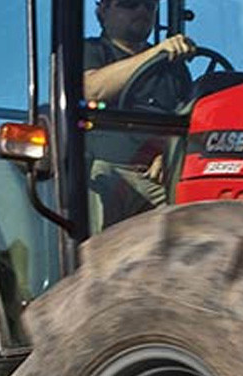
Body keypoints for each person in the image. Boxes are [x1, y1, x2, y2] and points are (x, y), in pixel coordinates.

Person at [82, 0, 196, 229]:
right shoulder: (90, 50)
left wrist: (170, 154)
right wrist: (156, 52)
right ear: (103, 10)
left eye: (149, 5)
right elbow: (91, 90)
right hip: (108, 170)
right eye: (130, 4)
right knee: (102, 182)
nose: (142, 11)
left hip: (162, 176)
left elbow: (189, 119)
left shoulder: (174, 69)